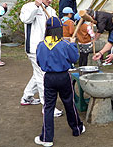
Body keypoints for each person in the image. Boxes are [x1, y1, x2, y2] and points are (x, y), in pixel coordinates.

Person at [34, 16, 85, 146]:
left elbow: (39, 62)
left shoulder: (41, 45)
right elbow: (75, 58)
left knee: (49, 107)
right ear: (60, 29)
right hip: (63, 77)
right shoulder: (65, 44)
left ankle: (47, 138)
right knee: (69, 103)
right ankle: (77, 129)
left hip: (49, 78)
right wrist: (73, 43)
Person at [19, 0, 62, 117]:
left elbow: (54, 28)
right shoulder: (28, 7)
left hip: (47, 48)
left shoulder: (51, 11)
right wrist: (36, 7)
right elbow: (25, 19)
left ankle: (27, 97)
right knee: (43, 75)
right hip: (33, 49)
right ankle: (47, 106)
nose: (50, 0)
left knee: (37, 74)